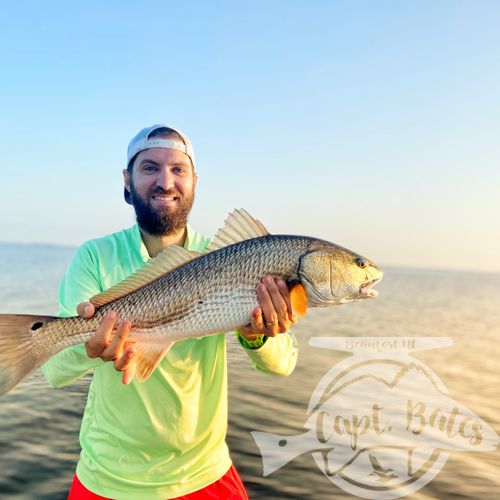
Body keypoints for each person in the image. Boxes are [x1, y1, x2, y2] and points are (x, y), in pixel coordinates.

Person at [41, 124, 299, 500]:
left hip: (204, 474)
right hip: (109, 478)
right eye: (149, 168)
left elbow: (283, 364)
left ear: (195, 181)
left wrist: (257, 331)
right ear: (127, 181)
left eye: (178, 169)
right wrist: (88, 347)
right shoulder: (95, 256)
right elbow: (54, 369)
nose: (166, 181)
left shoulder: (230, 259)